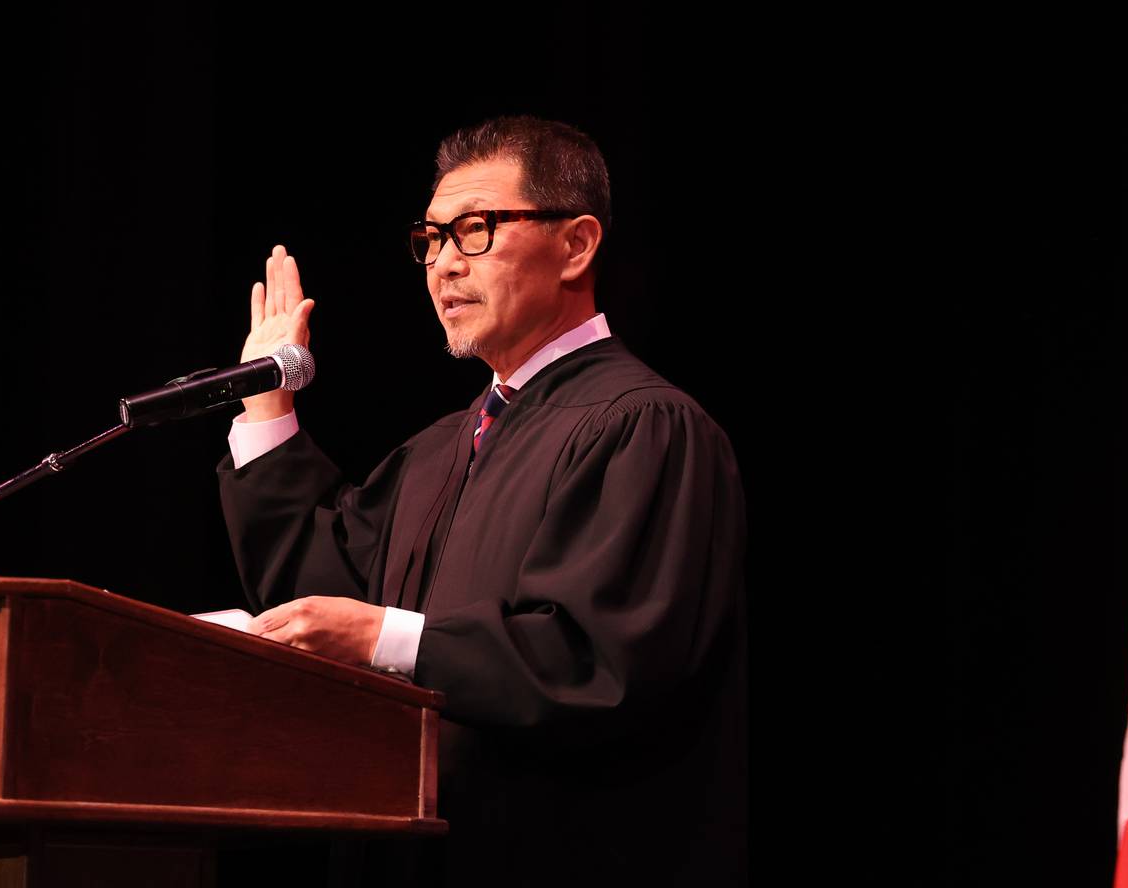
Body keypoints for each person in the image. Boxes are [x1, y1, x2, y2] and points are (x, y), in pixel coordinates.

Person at [217, 116, 747, 885]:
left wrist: (385, 639)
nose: (442, 267)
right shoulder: (443, 447)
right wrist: (267, 404)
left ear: (577, 245)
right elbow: (321, 599)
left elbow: (596, 660)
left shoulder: (645, 428)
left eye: (474, 230)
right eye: (430, 241)